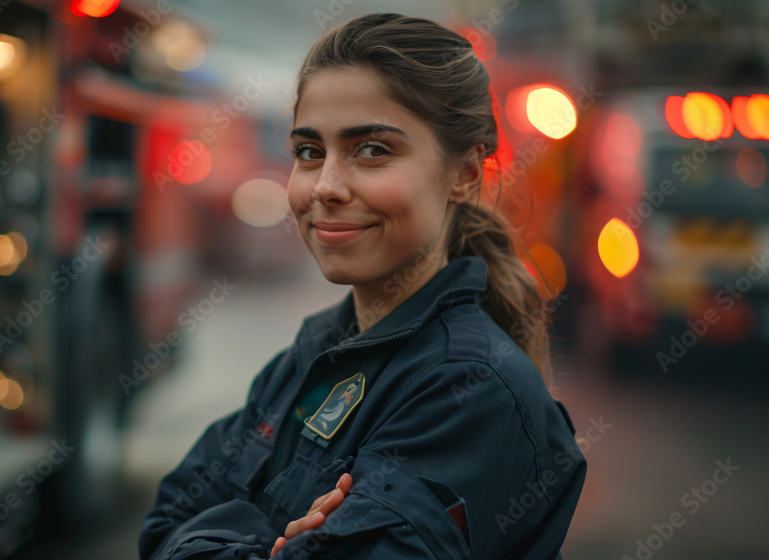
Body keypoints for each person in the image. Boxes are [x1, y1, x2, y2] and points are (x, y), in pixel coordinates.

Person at [138, 13, 586, 560]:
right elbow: (161, 523)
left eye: (372, 149)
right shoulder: (313, 356)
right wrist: (274, 547)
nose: (325, 186)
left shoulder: (471, 392)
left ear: (465, 172)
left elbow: (179, 532)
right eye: (308, 152)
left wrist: (228, 532)